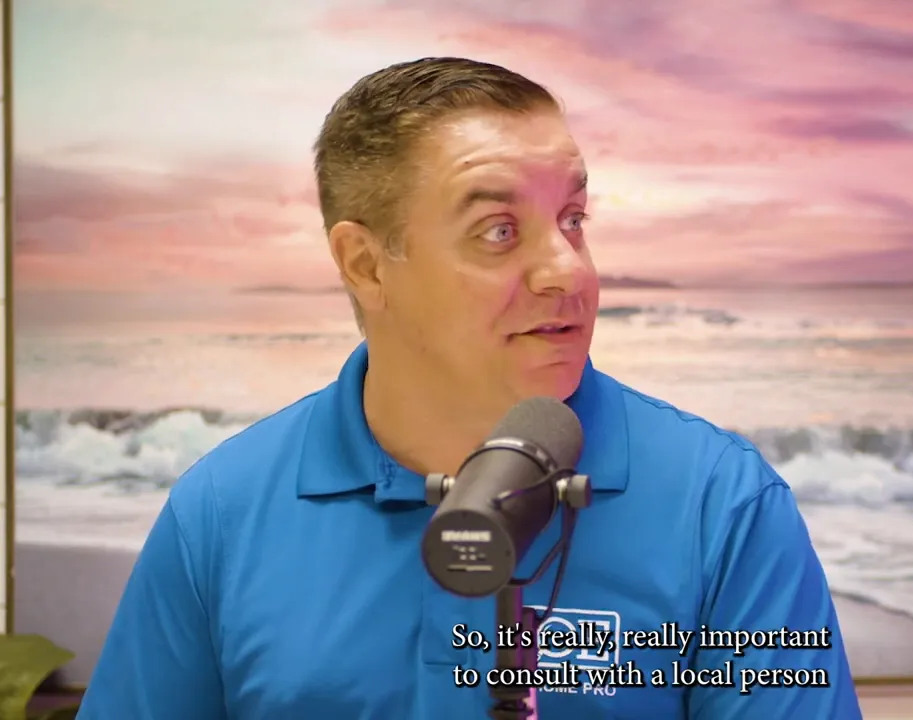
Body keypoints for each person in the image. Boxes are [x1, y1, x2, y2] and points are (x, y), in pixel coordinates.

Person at [76, 57, 863, 720]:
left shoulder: (720, 504)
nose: (569, 270)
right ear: (365, 264)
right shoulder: (222, 512)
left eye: (574, 218)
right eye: (499, 231)